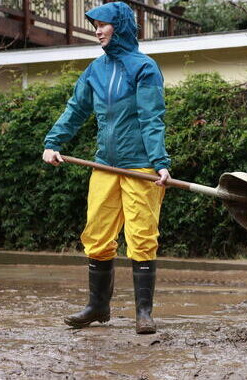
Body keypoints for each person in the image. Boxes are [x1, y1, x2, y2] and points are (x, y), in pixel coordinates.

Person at [42, 1, 170, 334]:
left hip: (139, 168)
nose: (97, 30)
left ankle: (144, 313)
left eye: (104, 24)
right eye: (95, 25)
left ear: (121, 27)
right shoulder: (94, 70)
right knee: (97, 236)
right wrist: (53, 142)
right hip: (105, 166)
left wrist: (160, 163)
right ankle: (98, 307)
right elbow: (75, 110)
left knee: (141, 237)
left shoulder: (144, 68)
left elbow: (151, 118)